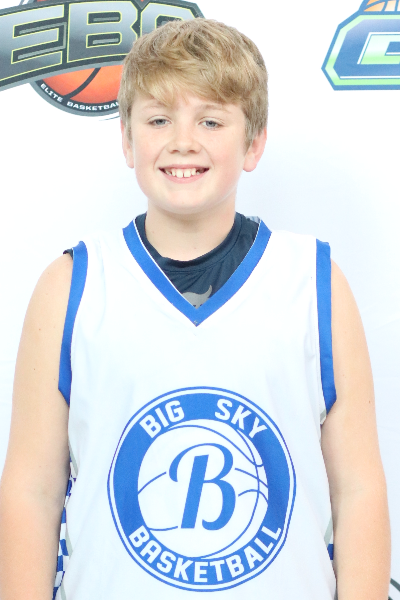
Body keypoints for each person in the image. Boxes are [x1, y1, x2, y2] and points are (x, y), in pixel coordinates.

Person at [0, 18, 390, 600]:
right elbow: (32, 490)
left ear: (253, 143)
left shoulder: (313, 282)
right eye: (159, 119)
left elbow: (357, 488)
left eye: (210, 120)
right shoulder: (71, 287)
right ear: (127, 141)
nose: (183, 141)